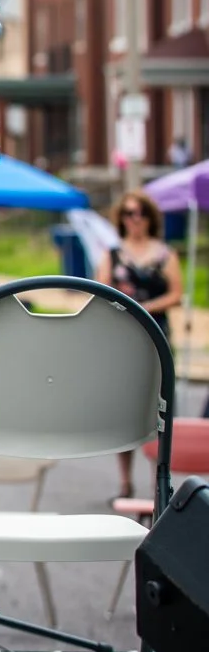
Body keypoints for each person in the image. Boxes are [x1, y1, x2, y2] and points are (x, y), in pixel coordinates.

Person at [108, 191, 183, 497]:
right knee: (123, 408)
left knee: (160, 407)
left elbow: (175, 294)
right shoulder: (112, 253)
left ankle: (158, 479)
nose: (134, 219)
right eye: (128, 213)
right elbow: (103, 289)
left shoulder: (165, 254)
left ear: (150, 217)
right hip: (122, 337)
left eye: (139, 213)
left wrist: (146, 308)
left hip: (156, 332)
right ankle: (125, 481)